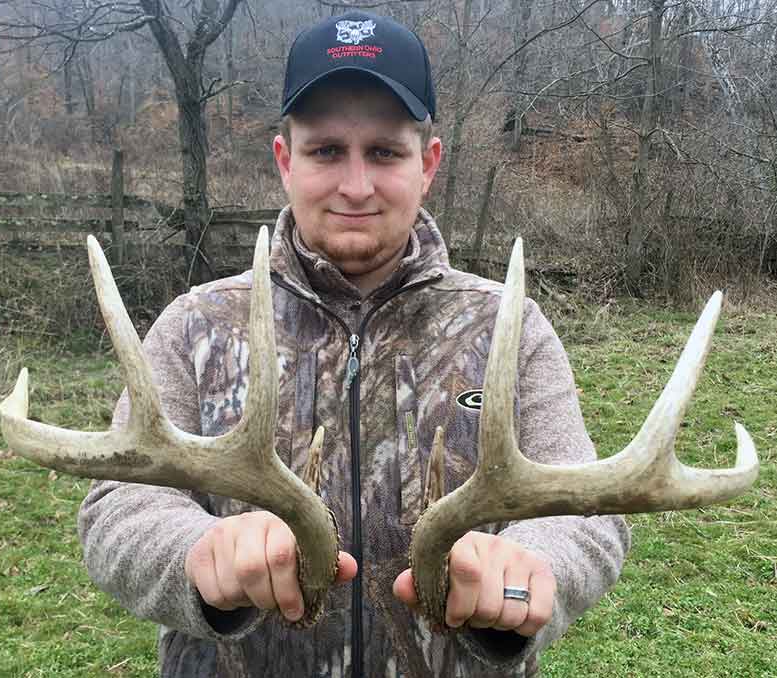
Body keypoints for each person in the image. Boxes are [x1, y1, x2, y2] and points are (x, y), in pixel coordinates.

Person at [78, 10, 630, 678]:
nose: (356, 186)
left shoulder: (506, 325)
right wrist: (195, 553)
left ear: (427, 163)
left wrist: (533, 567)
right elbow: (118, 506)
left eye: (385, 152)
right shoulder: (198, 323)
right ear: (285, 160)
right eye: (326, 151)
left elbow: (585, 512)